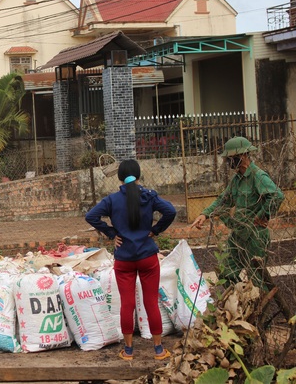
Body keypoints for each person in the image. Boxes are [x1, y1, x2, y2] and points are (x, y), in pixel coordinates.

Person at [85, 159, 176, 361]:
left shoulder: (112, 200)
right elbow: (170, 211)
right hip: (147, 258)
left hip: (124, 259)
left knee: (127, 304)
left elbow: (91, 216)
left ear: (119, 177)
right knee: (151, 302)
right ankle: (159, 349)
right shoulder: (149, 196)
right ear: (138, 174)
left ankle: (128, 350)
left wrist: (111, 234)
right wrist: (155, 231)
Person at [190, 136, 284, 288]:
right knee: (226, 273)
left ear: (243, 155)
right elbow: (224, 200)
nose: (228, 162)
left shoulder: (257, 176)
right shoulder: (237, 179)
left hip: (255, 236)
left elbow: (276, 195)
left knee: (256, 280)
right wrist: (204, 214)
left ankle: (260, 308)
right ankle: (241, 302)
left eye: (231, 158)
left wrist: (263, 215)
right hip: (238, 234)